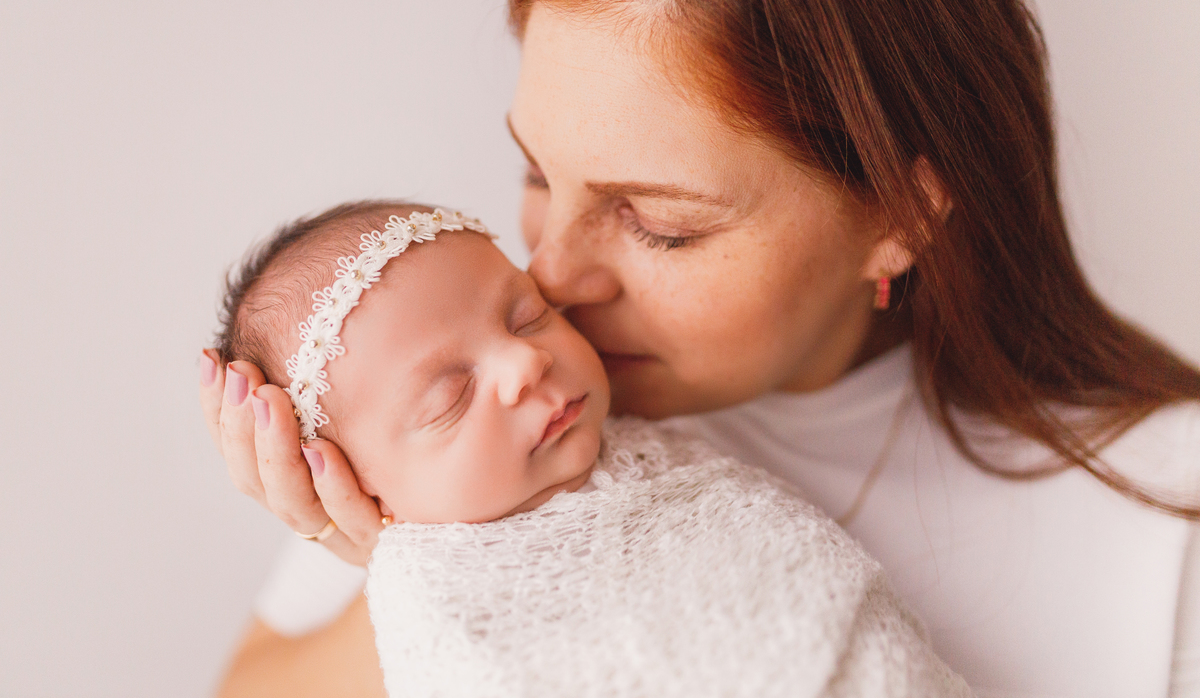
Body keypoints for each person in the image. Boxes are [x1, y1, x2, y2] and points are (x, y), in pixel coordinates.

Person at [199, 0, 1200, 696]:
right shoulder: (471, 413)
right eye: (539, 174)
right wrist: (436, 573)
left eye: (658, 224)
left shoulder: (1166, 533)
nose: (550, 274)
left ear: (899, 208)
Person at [212, 200, 970, 697]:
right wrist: (387, 567)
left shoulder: (653, 436)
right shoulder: (414, 588)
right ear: (356, 484)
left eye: (527, 315)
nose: (523, 364)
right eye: (449, 397)